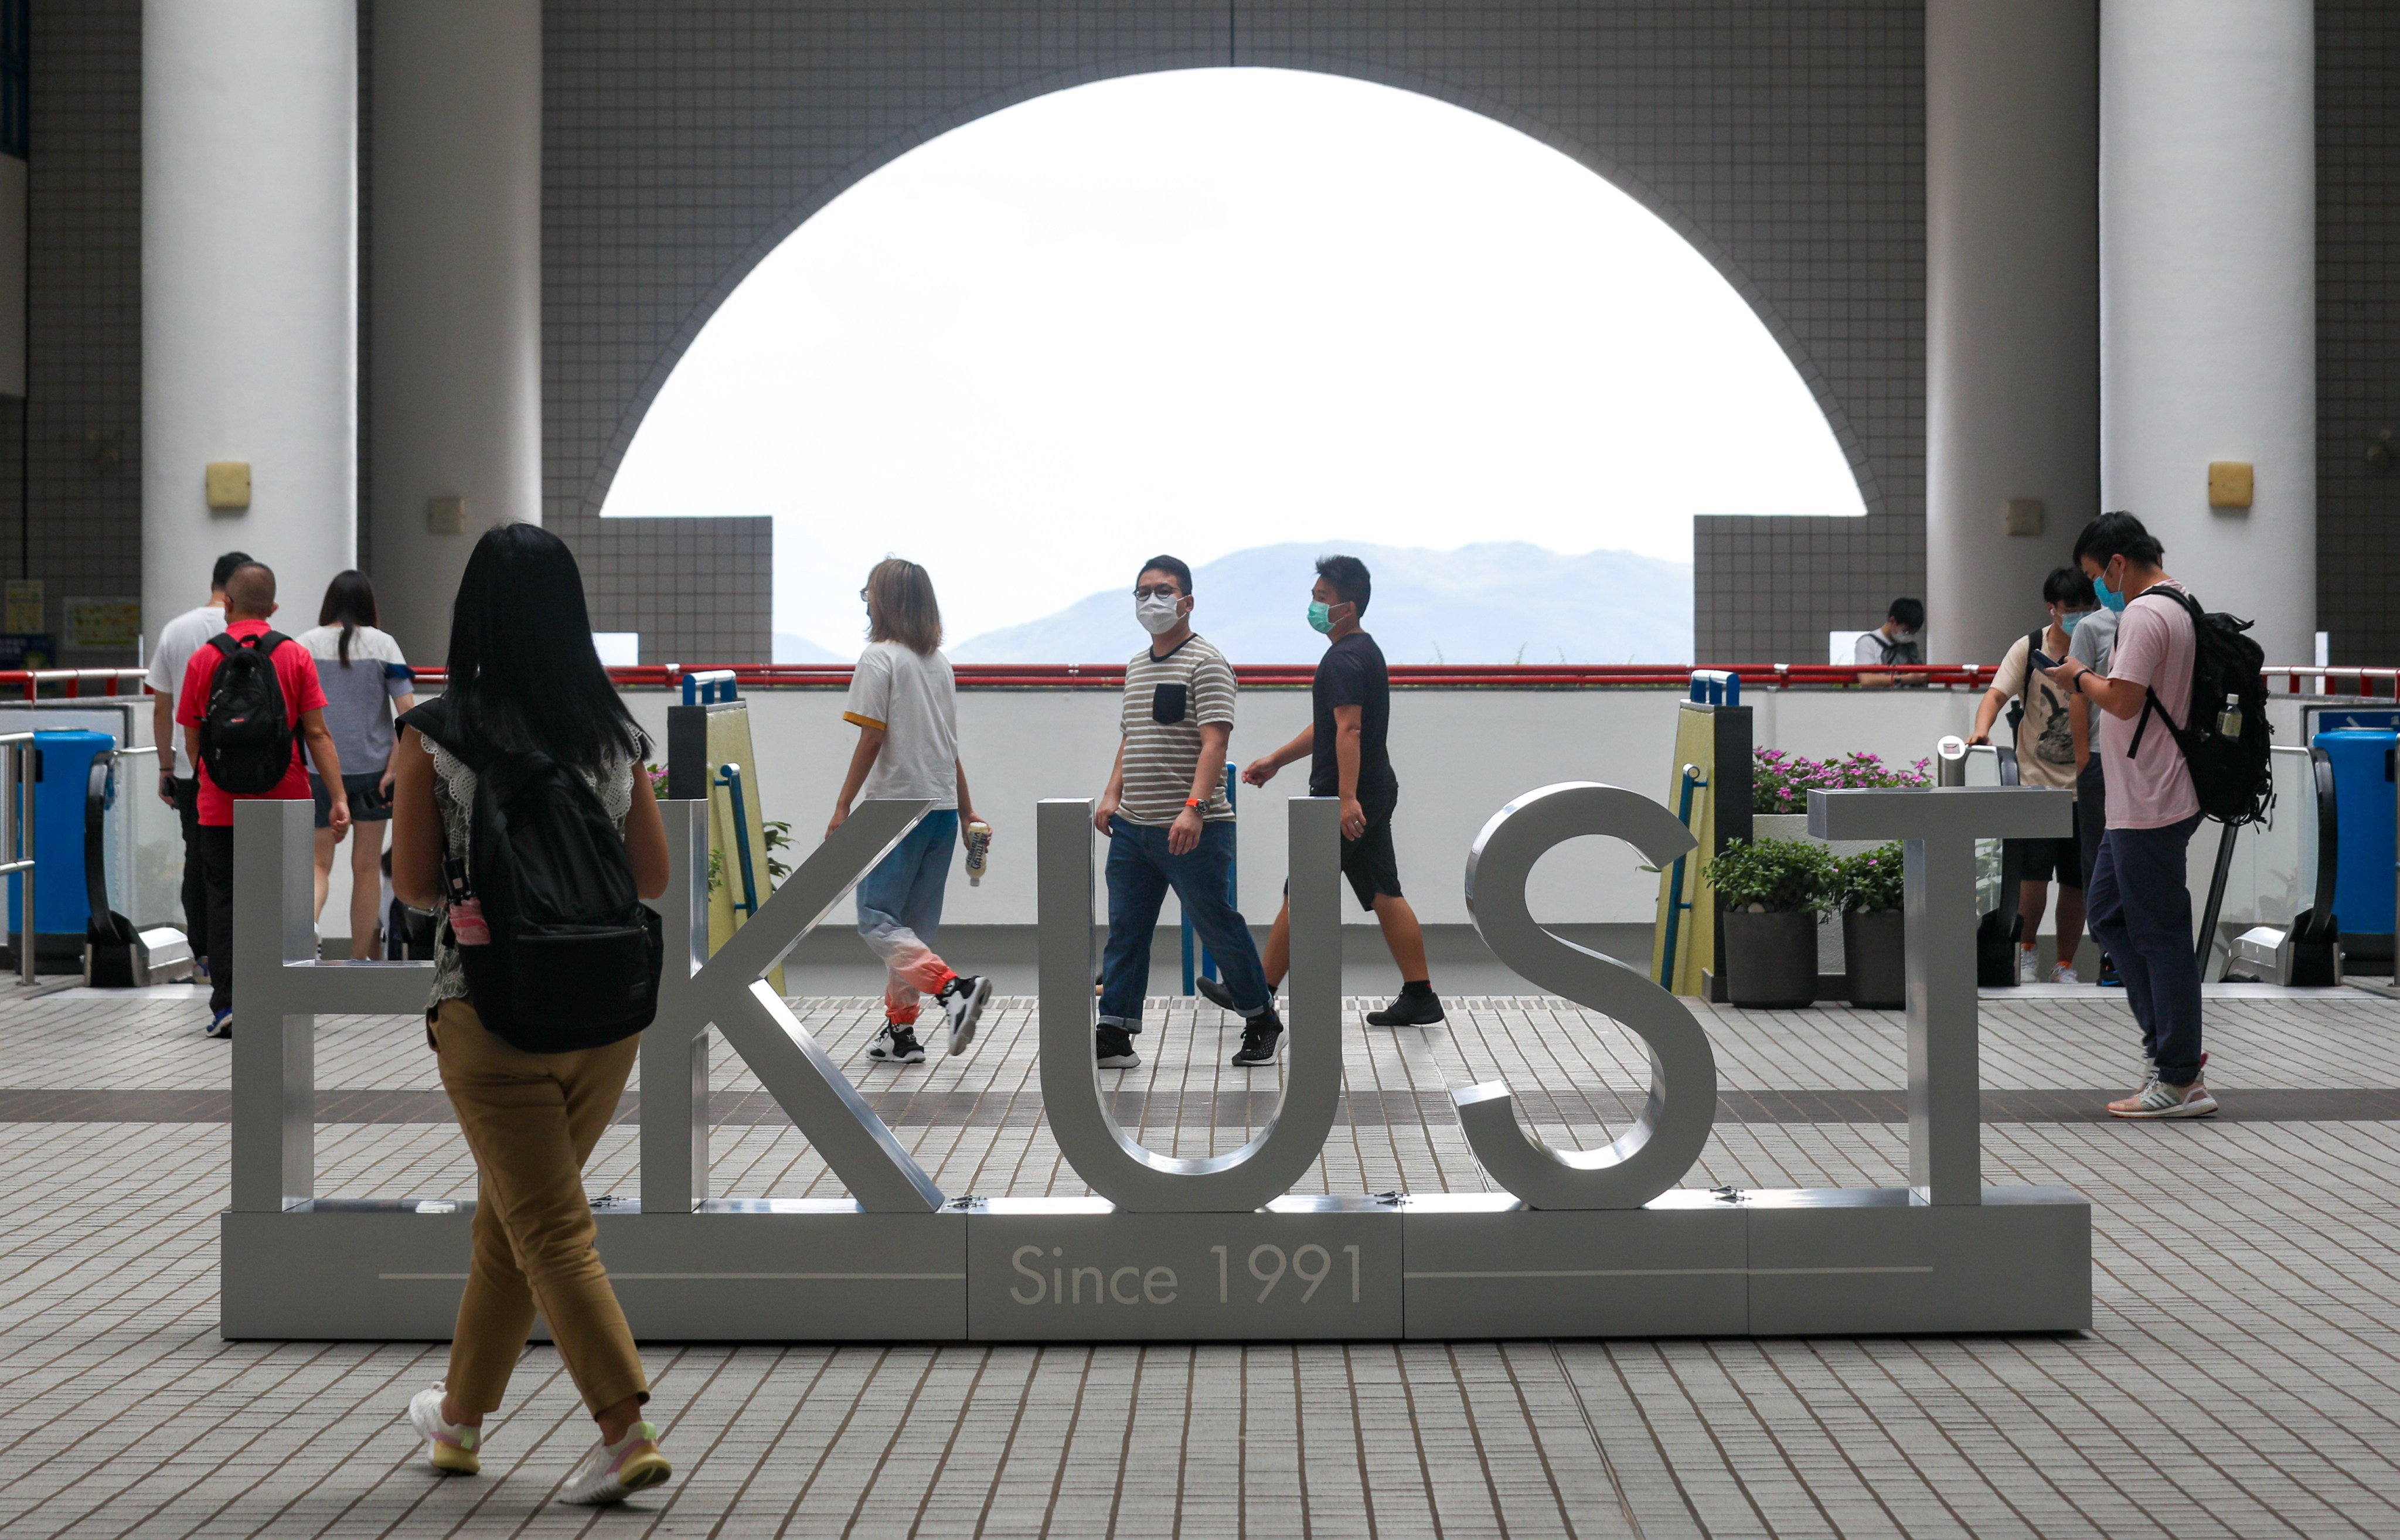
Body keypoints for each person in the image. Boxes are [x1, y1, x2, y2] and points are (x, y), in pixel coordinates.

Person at [389, 523, 675, 1504]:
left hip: (490, 1010)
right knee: (510, 1220)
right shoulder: (609, 729)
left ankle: (623, 1428)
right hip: (605, 1014)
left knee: (549, 1225)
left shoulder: (435, 730)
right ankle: (459, 1419)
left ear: (475, 613)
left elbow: (417, 886)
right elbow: (653, 876)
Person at [2043, 512, 2218, 1119]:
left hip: (2152, 798)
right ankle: (2169, 1054)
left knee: (2159, 934)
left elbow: (2123, 698)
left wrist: (2077, 675)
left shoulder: (2145, 613)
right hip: (2138, 798)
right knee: (2111, 914)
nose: (2098, 590)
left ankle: (2178, 1075)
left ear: (2119, 563)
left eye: (2097, 577)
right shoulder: (2180, 602)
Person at [1231, 554, 1441, 1026]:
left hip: (1347, 797)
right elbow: (1329, 727)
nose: (1313, 605)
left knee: (1300, 891)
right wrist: (1275, 761)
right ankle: (1420, 995)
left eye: (1321, 599)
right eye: (1313, 596)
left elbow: (1349, 731)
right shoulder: (1362, 651)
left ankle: (1255, 993)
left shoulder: (1344, 658)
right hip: (1372, 789)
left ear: (1347, 607)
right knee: (1384, 889)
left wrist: (1346, 800)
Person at [1093, 556, 1282, 1068]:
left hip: (1194, 829)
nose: (1152, 601)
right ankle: (1114, 1032)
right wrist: (1112, 795)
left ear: (1187, 602)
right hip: (1134, 828)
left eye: (1164, 591)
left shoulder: (1207, 662)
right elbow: (1131, 739)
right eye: (1143, 592)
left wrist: (1194, 808)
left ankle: (1262, 1019)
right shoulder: (1135, 666)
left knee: (1217, 924)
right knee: (1126, 930)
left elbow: (1214, 743)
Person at [829, 558, 993, 1064]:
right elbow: (949, 747)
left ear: (883, 601)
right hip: (941, 810)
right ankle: (900, 1033)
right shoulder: (937, 663)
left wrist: (842, 805)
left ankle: (952, 990)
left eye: (869, 593)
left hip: (894, 810)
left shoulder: (879, 658)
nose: (866, 601)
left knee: (877, 921)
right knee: (912, 930)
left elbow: (871, 736)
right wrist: (967, 812)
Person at [176, 563, 348, 1038]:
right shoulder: (292, 655)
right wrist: (337, 798)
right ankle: (286, 998)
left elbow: (193, 739)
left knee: (225, 903)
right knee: (288, 901)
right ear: (272, 608)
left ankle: (228, 1005)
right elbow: (317, 733)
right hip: (286, 800)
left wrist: (213, 779)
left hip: (219, 803)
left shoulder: (204, 659)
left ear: (226, 605)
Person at [1969, 568, 2095, 984]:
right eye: (2069, 610)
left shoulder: (2097, 643)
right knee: (2032, 879)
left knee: (2076, 881)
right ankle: (2026, 950)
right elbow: (1996, 693)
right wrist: (1981, 730)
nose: (2077, 616)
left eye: (2084, 608)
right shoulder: (2029, 647)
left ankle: (2064, 963)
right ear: (2052, 609)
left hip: (2084, 785)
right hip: (2035, 785)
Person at [297, 571, 417, 959]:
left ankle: (306, 940)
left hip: (317, 770)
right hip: (373, 773)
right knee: (366, 867)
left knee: (317, 865)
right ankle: (361, 957)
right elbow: (407, 715)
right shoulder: (384, 645)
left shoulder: (304, 645)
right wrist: (394, 768)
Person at [147, 549, 251, 982]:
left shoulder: (177, 630)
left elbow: (163, 708)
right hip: (249, 770)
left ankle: (205, 956)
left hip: (194, 771)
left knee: (199, 859)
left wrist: (166, 769)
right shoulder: (254, 634)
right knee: (247, 862)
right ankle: (247, 955)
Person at [1855, 597, 1925, 687]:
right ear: (1893, 621)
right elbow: (1866, 680)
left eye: (1913, 633)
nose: (1909, 636)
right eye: (1906, 632)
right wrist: (1907, 679)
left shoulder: (1909, 646)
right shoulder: (1868, 642)